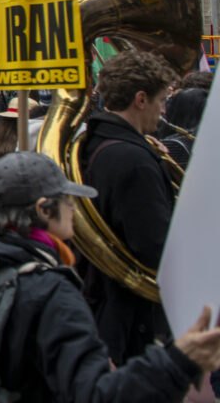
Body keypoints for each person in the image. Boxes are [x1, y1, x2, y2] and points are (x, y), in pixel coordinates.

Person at [0, 151, 220, 402]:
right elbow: (93, 395)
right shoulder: (47, 289)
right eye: (65, 199)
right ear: (43, 209)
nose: (74, 207)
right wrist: (177, 362)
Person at [80, 51, 179, 364]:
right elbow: (155, 247)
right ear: (140, 99)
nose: (163, 112)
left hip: (104, 305)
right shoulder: (133, 160)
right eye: (161, 101)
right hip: (132, 319)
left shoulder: (93, 141)